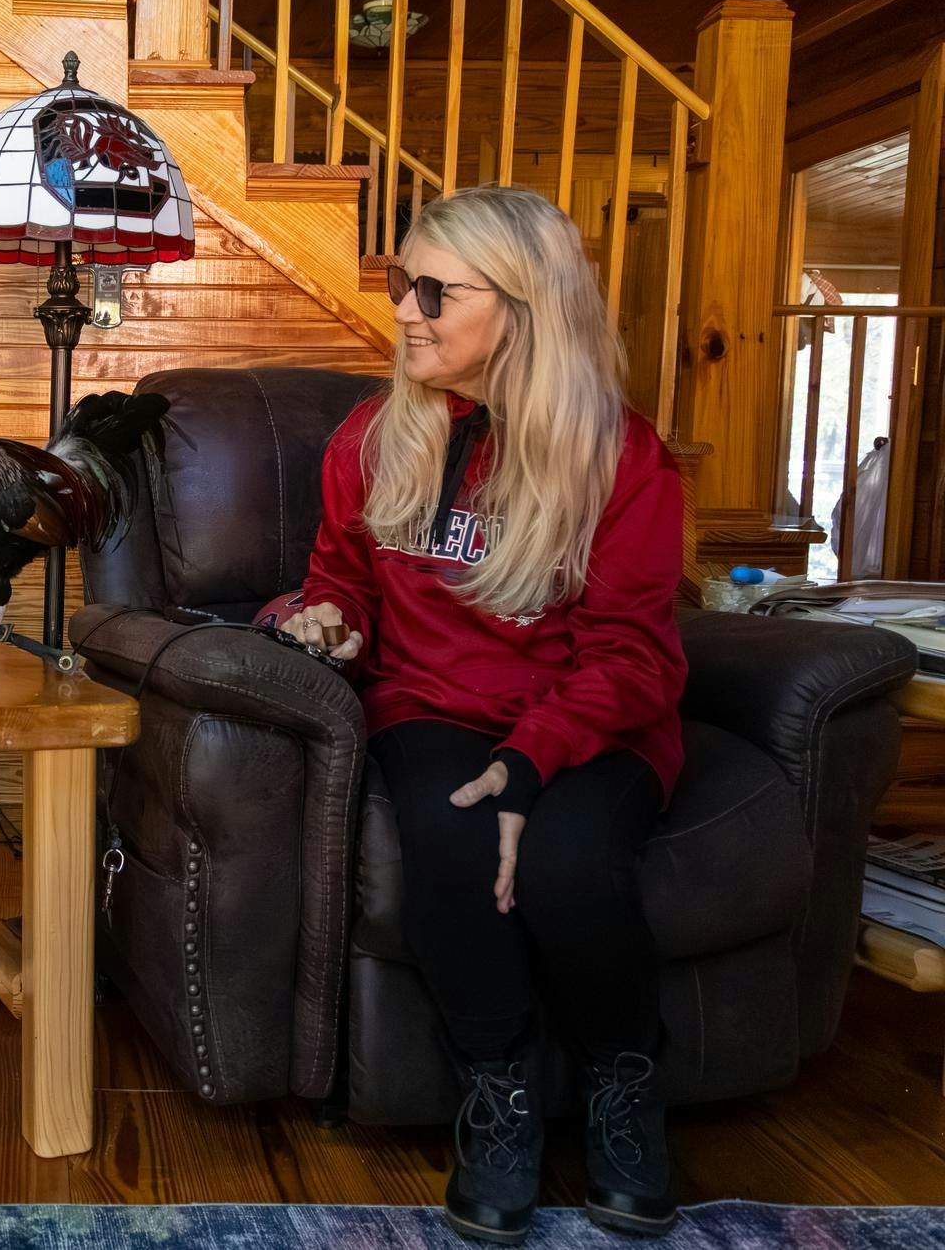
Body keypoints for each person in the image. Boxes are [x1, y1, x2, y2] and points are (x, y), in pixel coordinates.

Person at [284, 186, 686, 1245]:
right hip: (434, 708)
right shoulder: (371, 440)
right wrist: (323, 619)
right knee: (452, 842)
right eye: (396, 283)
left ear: (519, 307)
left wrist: (533, 758)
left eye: (430, 289)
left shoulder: (620, 457)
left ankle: (622, 1077)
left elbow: (633, 656)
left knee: (563, 862)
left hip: (591, 719)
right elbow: (341, 581)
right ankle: (497, 1089)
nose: (402, 309)